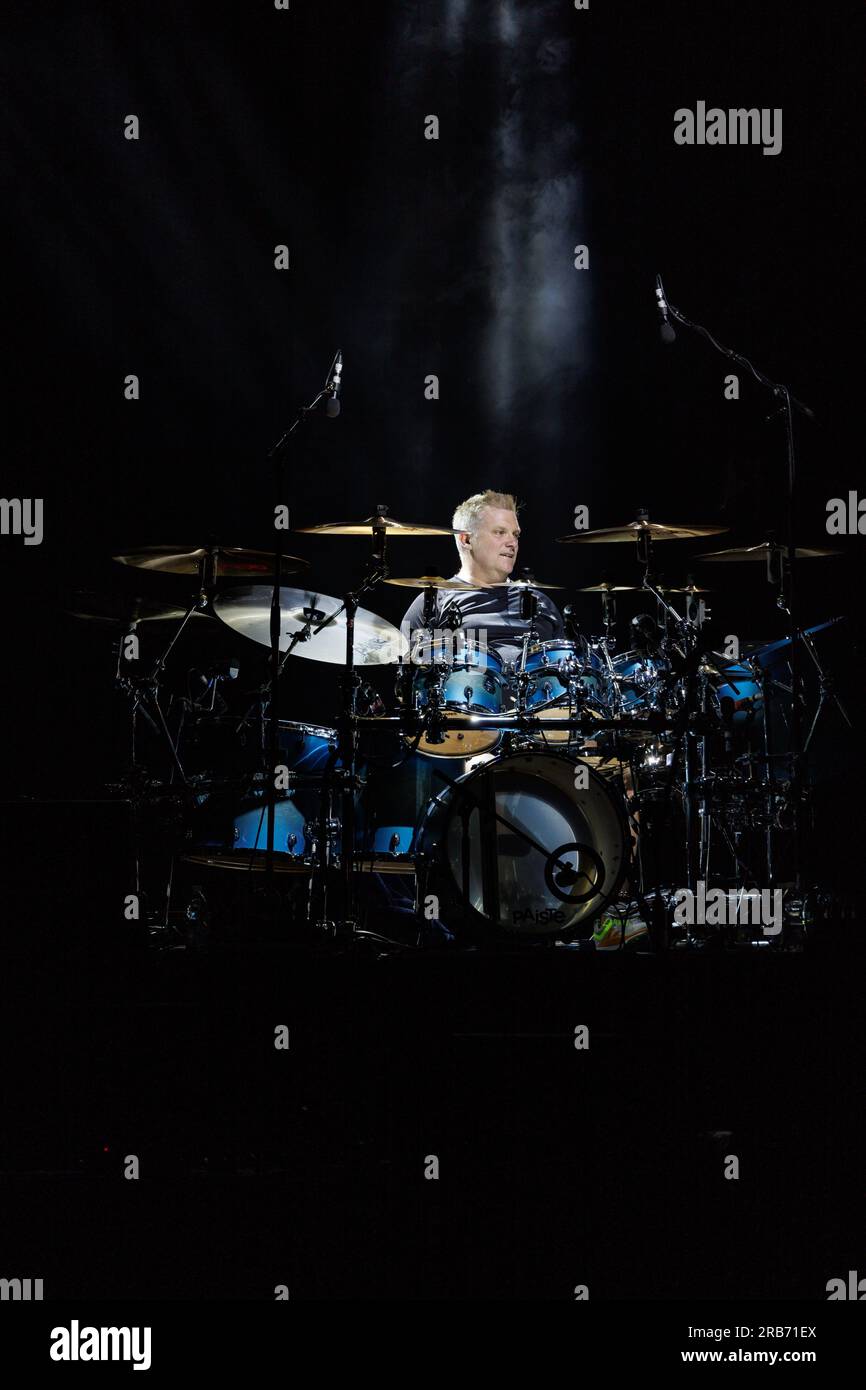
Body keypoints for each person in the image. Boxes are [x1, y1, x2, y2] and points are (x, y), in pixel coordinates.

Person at [401, 489, 565, 664]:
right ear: (466, 540)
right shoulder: (432, 604)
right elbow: (408, 681)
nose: (512, 543)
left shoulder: (541, 604)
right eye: (500, 532)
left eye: (515, 534)